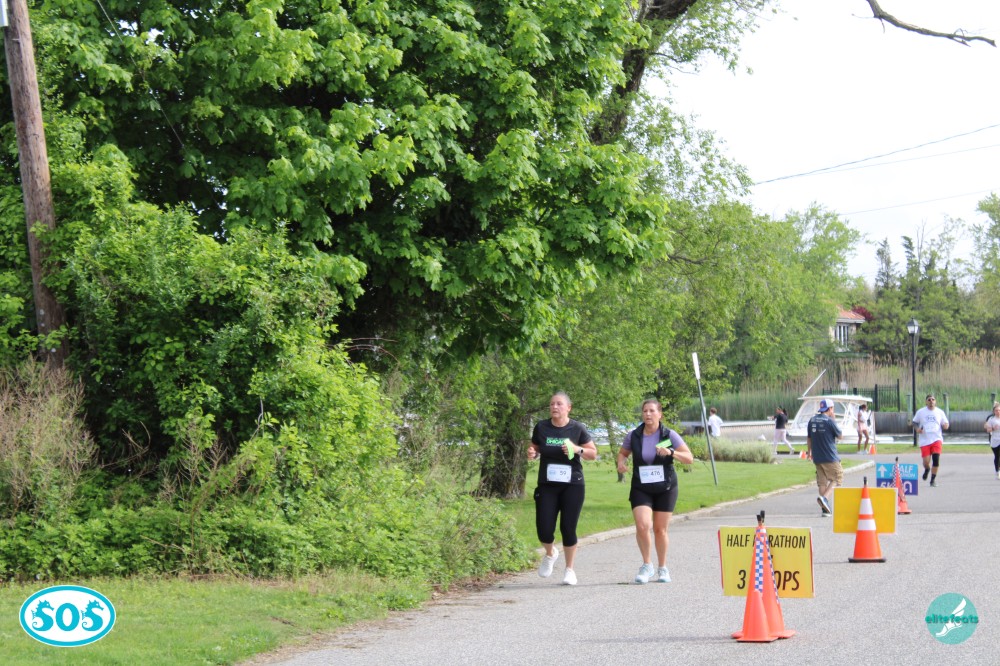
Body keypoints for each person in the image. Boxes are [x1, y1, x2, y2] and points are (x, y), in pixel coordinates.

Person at [615, 398, 694, 584]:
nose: (648, 414)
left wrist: (672, 452)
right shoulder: (633, 435)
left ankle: (662, 567)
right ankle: (647, 565)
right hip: (641, 486)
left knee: (660, 529)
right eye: (645, 411)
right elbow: (623, 453)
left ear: (660, 414)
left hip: (666, 487)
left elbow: (689, 458)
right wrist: (621, 463)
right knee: (643, 525)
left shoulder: (669, 435)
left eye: (652, 411)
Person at [526, 392, 595, 586]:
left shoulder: (577, 428)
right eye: (552, 404)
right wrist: (532, 453)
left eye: (559, 404)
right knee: (544, 529)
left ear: (568, 408)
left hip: (572, 485)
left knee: (568, 528)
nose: (554, 407)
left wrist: (577, 449)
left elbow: (592, 454)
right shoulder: (542, 427)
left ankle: (569, 570)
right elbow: (535, 448)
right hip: (547, 485)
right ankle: (550, 553)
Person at [806, 398, 842, 517]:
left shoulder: (812, 420)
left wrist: (809, 453)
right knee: (837, 477)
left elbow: (809, 438)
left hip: (817, 456)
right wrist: (834, 420)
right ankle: (825, 499)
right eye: (833, 409)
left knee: (822, 482)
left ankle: (825, 510)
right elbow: (840, 436)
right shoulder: (829, 421)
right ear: (830, 409)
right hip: (830, 456)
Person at [912, 394, 950, 487]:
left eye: (933, 399)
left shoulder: (940, 412)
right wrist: (917, 429)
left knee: (936, 460)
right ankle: (927, 469)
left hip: (936, 439)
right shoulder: (921, 412)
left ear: (935, 402)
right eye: (929, 400)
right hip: (925, 440)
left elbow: (945, 423)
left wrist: (945, 426)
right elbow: (914, 422)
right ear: (926, 402)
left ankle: (933, 480)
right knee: (926, 461)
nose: (931, 401)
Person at [984, 402, 1000, 479]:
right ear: (994, 411)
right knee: (997, 456)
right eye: (996, 410)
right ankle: (997, 471)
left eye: (999, 410)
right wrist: (993, 428)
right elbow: (987, 429)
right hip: (994, 439)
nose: (998, 412)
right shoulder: (991, 418)